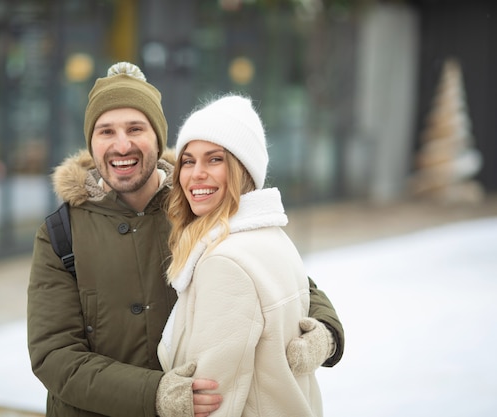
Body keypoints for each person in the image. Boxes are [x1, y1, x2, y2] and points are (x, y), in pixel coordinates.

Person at [27, 62, 343, 417]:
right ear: (91, 141)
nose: (122, 144)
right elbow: (54, 355)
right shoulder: (62, 233)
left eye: (135, 128)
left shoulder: (195, 204)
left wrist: (326, 329)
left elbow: (271, 275)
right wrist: (154, 394)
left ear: (158, 138)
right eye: (106, 131)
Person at [157, 94, 322, 416]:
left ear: (243, 170)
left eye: (214, 159)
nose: (196, 174)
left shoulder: (225, 261)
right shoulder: (273, 238)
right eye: (188, 161)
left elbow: (212, 398)